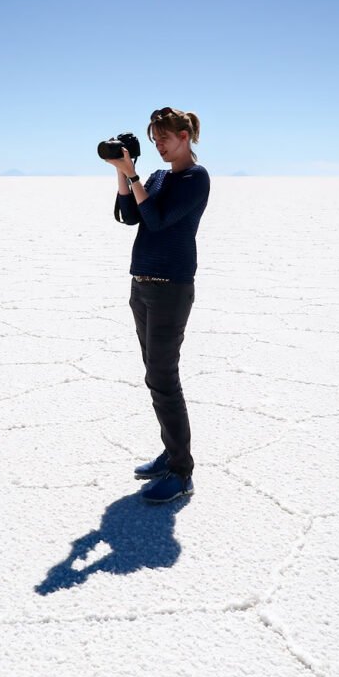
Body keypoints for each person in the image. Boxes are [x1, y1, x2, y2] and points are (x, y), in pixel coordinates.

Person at [106, 106, 210, 503]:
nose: (160, 147)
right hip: (143, 284)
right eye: (155, 141)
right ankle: (172, 452)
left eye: (165, 138)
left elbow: (160, 219)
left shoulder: (195, 178)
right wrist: (122, 171)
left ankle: (182, 472)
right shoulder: (159, 176)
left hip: (171, 287)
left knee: (164, 377)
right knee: (155, 376)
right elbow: (130, 215)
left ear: (184, 136)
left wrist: (134, 176)